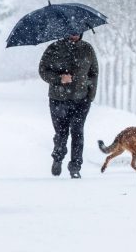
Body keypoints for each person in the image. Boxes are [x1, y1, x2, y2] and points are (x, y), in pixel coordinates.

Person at [38, 33, 98, 178]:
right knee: (61, 133)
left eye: (77, 32)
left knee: (78, 132)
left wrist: (90, 96)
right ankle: (58, 158)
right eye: (71, 32)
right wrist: (59, 78)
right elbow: (43, 70)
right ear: (65, 32)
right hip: (58, 98)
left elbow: (94, 73)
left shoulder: (87, 49)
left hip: (81, 99)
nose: (75, 35)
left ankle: (75, 167)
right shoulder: (54, 48)